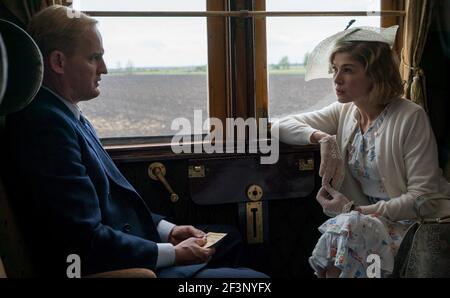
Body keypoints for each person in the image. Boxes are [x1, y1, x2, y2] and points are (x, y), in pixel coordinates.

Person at [4, 5, 267, 278]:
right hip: (119, 268)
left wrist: (169, 230)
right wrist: (172, 253)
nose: (104, 69)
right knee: (256, 282)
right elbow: (82, 239)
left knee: (231, 238)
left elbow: (114, 206)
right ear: (58, 62)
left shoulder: (64, 113)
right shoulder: (45, 125)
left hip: (125, 245)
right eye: (94, 58)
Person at [271, 26, 450, 278]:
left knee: (348, 228)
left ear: (375, 74)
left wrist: (357, 212)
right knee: (347, 230)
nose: (336, 79)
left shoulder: (410, 117)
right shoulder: (345, 111)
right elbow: (281, 125)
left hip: (413, 223)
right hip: (364, 221)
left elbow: (424, 198)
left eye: (347, 69)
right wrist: (323, 138)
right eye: (335, 69)